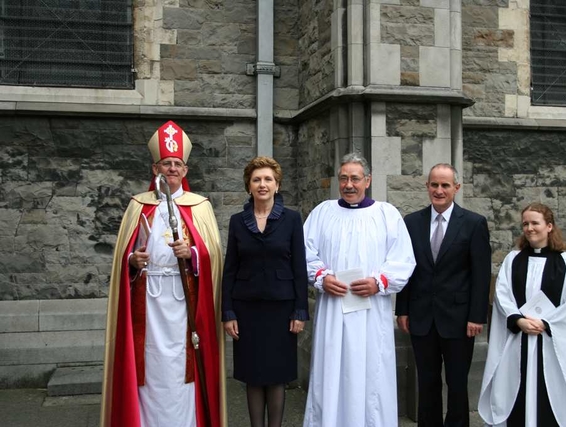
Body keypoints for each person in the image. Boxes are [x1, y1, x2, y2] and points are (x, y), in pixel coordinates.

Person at [100, 121, 226, 427]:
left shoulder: (200, 207)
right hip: (148, 303)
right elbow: (122, 259)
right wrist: (133, 260)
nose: (171, 169)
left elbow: (214, 257)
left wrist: (193, 254)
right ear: (155, 168)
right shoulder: (138, 207)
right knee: (150, 369)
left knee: (182, 372)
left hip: (184, 304)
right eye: (166, 164)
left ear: (185, 171)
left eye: (177, 164)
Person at [302, 153, 416, 427]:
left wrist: (380, 282)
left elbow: (403, 260)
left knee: (371, 373)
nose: (349, 185)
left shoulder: (387, 215)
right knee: (331, 372)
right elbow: (304, 253)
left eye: (355, 178)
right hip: (333, 309)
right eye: (344, 178)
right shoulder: (322, 212)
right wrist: (321, 277)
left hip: (371, 312)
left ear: (368, 180)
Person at [478, 203, 566, 427]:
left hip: (551, 341)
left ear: (549, 226)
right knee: (517, 391)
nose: (530, 228)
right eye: (525, 224)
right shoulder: (513, 260)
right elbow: (503, 294)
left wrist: (546, 323)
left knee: (551, 394)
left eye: (535, 223)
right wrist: (518, 320)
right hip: (519, 339)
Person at [396, 163, 491, 427]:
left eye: (445, 185)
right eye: (434, 184)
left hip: (459, 319)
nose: (439, 190)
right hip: (421, 316)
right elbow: (405, 269)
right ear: (427, 186)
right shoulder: (411, 223)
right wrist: (402, 309)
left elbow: (481, 275)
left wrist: (476, 316)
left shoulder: (473, 224)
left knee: (457, 383)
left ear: (456, 188)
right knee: (427, 381)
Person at [221, 157, 309, 427]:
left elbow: (299, 267)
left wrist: (300, 310)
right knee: (253, 374)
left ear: (277, 185)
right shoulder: (237, 221)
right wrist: (228, 312)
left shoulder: (292, 219)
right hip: (246, 309)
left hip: (281, 309)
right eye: (257, 179)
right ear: (249, 186)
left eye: (268, 179)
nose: (262, 184)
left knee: (276, 374)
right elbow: (230, 269)